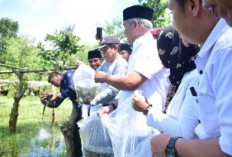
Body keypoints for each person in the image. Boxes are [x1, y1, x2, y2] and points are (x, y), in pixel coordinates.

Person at [150, 0, 232, 156]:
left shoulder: (225, 50)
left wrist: (172, 145)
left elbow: (229, 148)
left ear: (193, 6)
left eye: (172, 12)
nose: (207, 4)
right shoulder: (212, 55)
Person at [95, 5, 167, 156]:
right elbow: (129, 91)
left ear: (135, 24)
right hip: (133, 125)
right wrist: (112, 107)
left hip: (143, 125)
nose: (124, 31)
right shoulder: (138, 48)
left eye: (124, 26)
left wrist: (106, 77)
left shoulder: (148, 47)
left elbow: (131, 83)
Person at [132, 26, 200, 139]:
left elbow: (185, 132)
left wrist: (147, 109)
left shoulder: (195, 78)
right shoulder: (178, 76)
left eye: (167, 53)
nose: (164, 60)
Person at [40, 71, 82, 157]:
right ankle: (78, 154)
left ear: (56, 76)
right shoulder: (63, 88)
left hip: (89, 107)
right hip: (79, 110)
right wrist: (46, 101)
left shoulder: (68, 74)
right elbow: (55, 104)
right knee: (73, 131)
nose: (54, 85)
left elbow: (72, 88)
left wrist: (58, 95)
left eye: (53, 82)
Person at [90, 35, 128, 106]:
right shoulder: (106, 62)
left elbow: (115, 88)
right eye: (102, 51)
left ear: (115, 48)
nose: (103, 54)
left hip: (114, 106)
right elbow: (95, 74)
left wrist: (94, 100)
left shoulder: (121, 64)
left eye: (105, 50)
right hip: (104, 103)